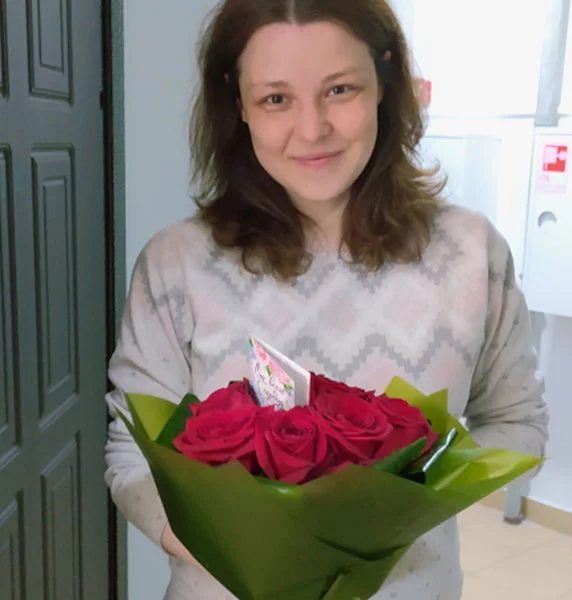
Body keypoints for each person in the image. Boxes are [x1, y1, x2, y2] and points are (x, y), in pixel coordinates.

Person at [104, 0, 549, 598]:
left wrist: (403, 507)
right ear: (238, 104)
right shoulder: (175, 264)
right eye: (275, 98)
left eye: (339, 90)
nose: (312, 129)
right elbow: (132, 454)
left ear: (384, 82)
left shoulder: (472, 255)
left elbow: (518, 421)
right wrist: (251, 550)